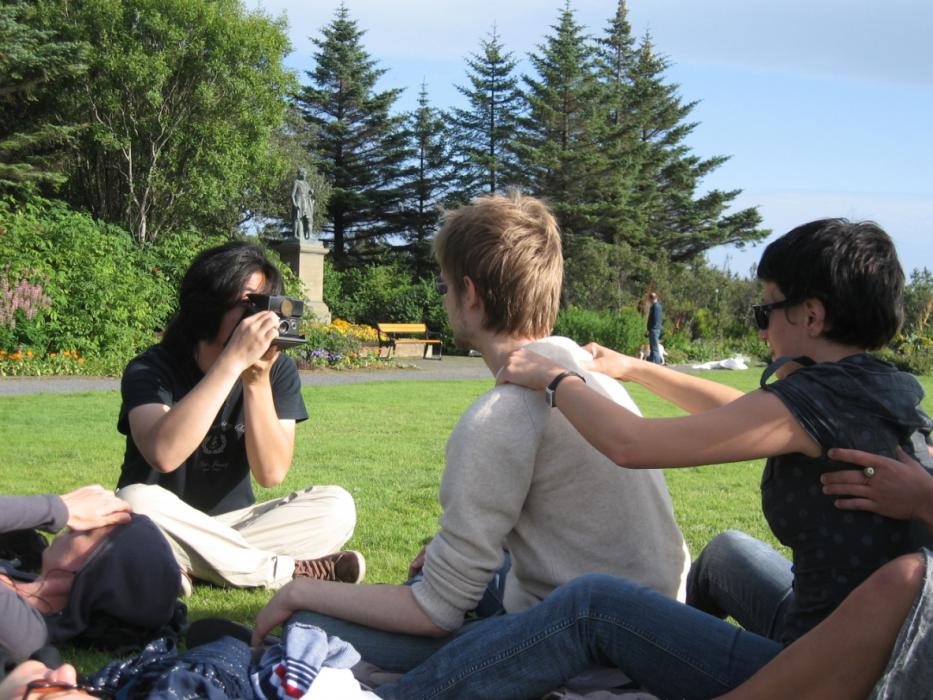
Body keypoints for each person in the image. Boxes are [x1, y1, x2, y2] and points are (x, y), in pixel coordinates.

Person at [373, 218, 932, 698]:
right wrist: (634, 368)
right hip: (841, 625)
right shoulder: (878, 391)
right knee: (725, 554)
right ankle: (662, 664)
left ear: (811, 316)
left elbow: (632, 445)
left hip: (818, 668)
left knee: (593, 601)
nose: (762, 331)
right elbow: (740, 410)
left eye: (765, 313)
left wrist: (557, 380)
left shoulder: (814, 400)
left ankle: (405, 693)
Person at [252, 193, 690, 673]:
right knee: (464, 573)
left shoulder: (499, 417)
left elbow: (435, 612)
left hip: (587, 654)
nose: (444, 299)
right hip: (659, 621)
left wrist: (299, 590)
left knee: (309, 625)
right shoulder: (590, 378)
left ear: (471, 294)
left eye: (444, 286)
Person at [116, 242, 361, 594]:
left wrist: (256, 379)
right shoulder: (151, 369)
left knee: (336, 507)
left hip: (236, 524)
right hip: (162, 517)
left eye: (267, 303)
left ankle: (187, 563)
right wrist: (231, 362)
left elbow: (271, 473)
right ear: (209, 302)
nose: (262, 317)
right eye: (250, 302)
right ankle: (287, 571)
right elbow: (163, 454)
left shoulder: (277, 371)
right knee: (132, 503)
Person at [0, 486, 130, 661]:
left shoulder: (23, 631)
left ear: (89, 573)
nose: (74, 527)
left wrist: (57, 509)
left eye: (88, 530)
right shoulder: (21, 575)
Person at [291, 168, 315, 240]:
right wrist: (294, 204)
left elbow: (309, 194)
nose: (305, 175)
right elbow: (292, 195)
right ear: (300, 174)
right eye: (304, 174)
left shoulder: (306, 183)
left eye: (305, 174)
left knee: (309, 219)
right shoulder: (296, 182)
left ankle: (308, 236)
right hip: (299, 201)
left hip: (306, 202)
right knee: (297, 218)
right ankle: (295, 235)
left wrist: (311, 192)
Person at [646, 291, 663, 364]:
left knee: (654, 348)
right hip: (655, 329)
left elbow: (656, 320)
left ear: (651, 299)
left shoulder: (655, 307)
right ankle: (652, 362)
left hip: (654, 330)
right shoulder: (657, 306)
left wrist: (651, 329)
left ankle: (656, 363)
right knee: (652, 347)